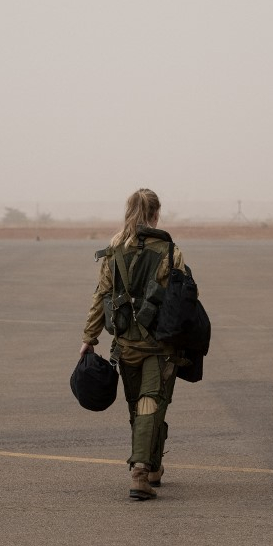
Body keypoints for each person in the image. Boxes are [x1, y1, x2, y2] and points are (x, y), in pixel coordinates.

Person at [80, 188, 190, 501]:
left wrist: (89, 338)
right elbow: (183, 299)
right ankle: (140, 473)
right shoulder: (170, 251)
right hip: (159, 346)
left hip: (125, 343)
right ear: (156, 214)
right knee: (151, 404)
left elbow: (100, 296)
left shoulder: (114, 250)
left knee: (138, 408)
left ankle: (152, 467)